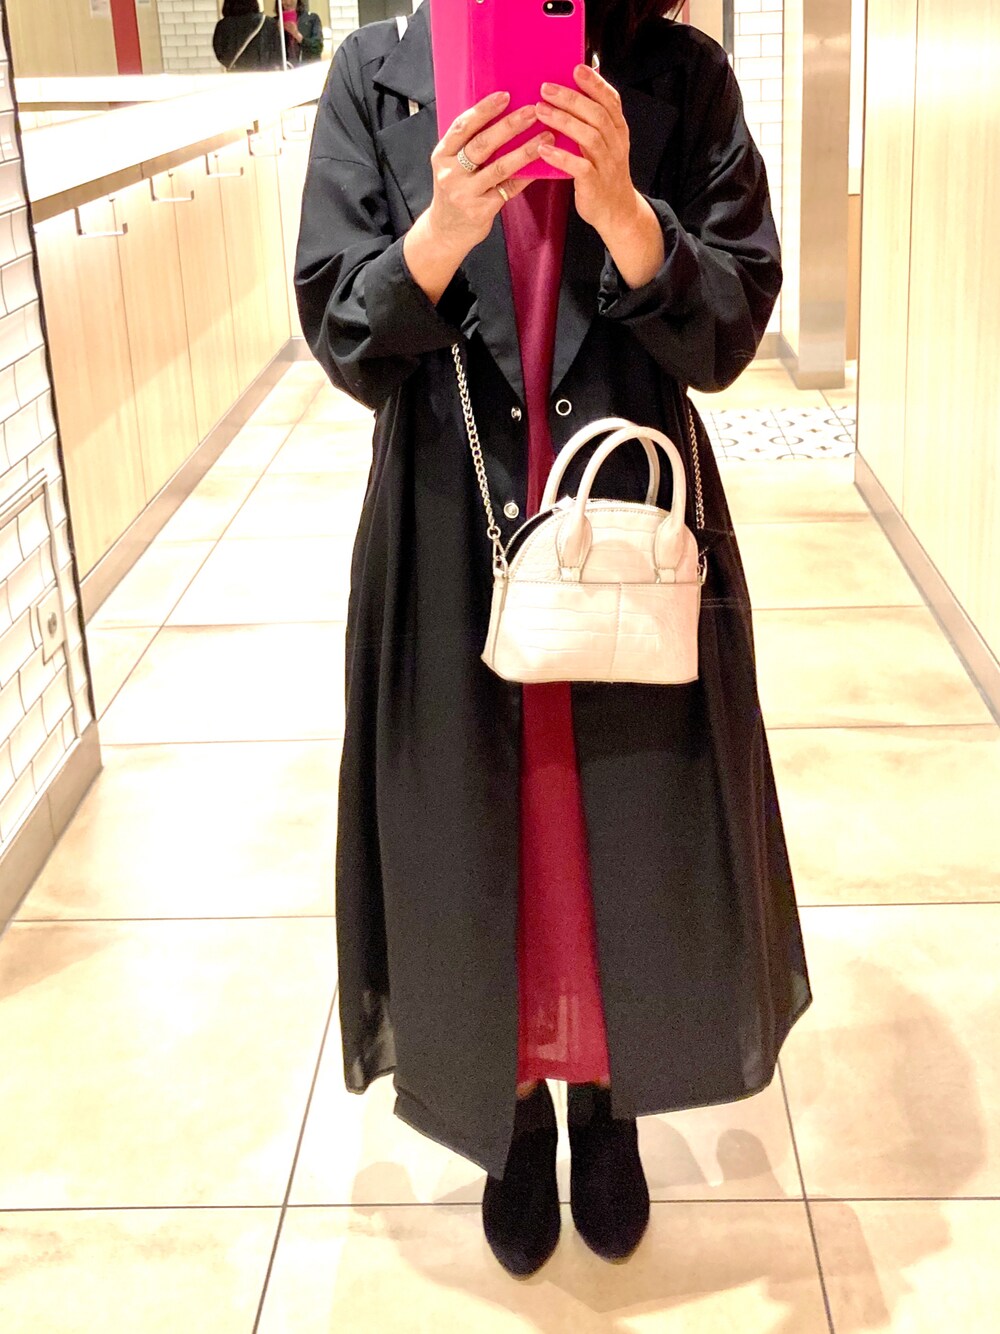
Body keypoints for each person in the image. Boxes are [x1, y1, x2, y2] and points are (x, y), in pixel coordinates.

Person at [295, 0, 812, 1278]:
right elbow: (343, 334)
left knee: (618, 824)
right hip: (449, 528)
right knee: (482, 833)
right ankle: (516, 1112)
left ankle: (606, 1098)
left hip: (626, 526)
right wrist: (438, 234)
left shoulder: (679, 75)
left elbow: (730, 327)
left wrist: (627, 215)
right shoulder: (375, 74)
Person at [212, 0, 284, 72]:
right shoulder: (267, 22)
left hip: (236, 73)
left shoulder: (222, 26)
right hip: (263, 73)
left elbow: (220, 53)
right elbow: (277, 53)